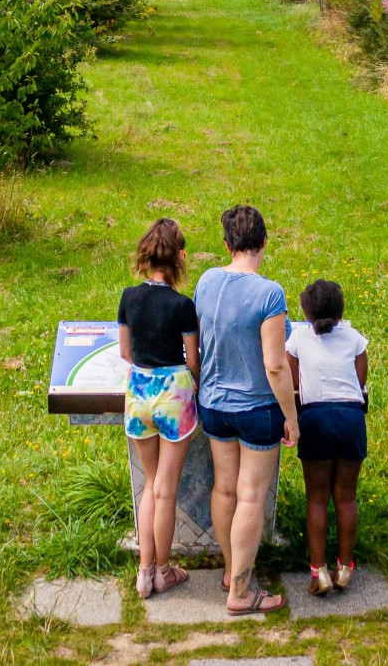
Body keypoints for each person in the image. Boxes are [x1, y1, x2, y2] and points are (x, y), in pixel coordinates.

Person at [194, 203, 298, 615]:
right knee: (250, 496)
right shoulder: (269, 293)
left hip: (213, 404)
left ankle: (229, 571)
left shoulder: (206, 281)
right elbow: (275, 365)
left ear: (226, 244)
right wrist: (291, 417)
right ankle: (241, 591)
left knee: (224, 487)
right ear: (264, 242)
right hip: (256, 410)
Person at [116, 218, 199, 598]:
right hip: (173, 396)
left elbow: (125, 352)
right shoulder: (183, 305)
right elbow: (193, 360)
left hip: (138, 393)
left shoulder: (128, 297)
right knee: (166, 490)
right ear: (177, 258)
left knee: (150, 485)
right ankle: (163, 571)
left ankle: (143, 572)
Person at [286, 278, 368, 596]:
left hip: (316, 417)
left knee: (317, 499)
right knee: (346, 497)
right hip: (351, 417)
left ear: (306, 311)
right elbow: (360, 379)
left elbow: (294, 380)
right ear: (341, 310)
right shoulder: (355, 338)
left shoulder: (298, 339)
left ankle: (318, 571)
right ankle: (345, 568)